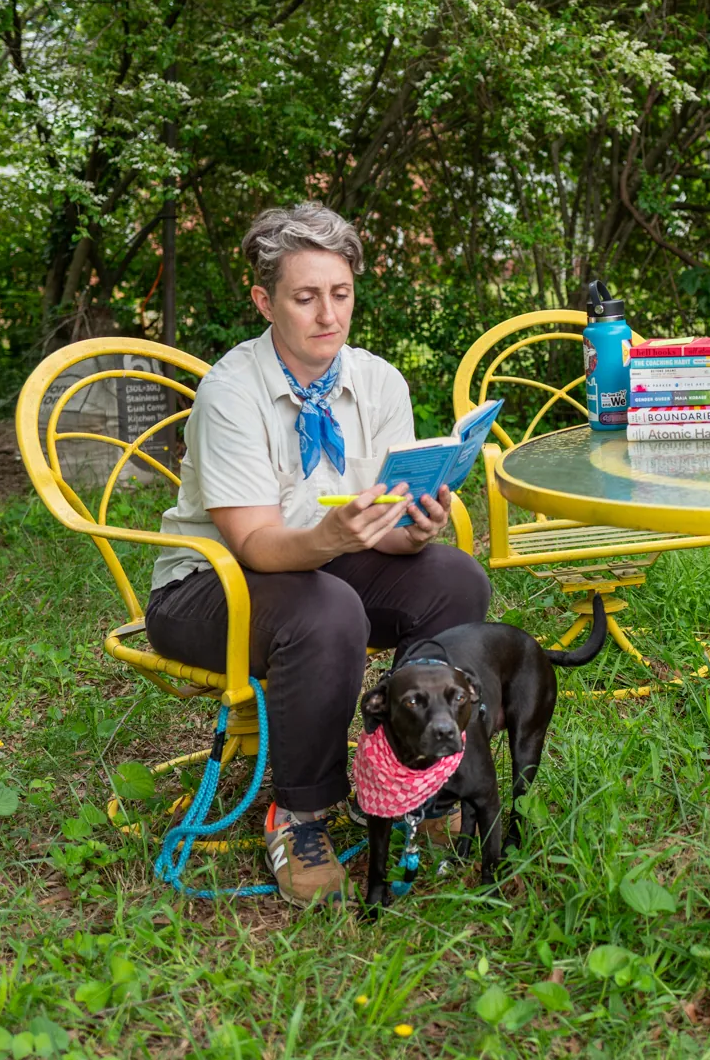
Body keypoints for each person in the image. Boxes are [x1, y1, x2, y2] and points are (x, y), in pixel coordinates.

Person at [145, 200, 491, 905]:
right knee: (328, 607)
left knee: (454, 577)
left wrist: (415, 529)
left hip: (314, 569)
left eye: (341, 294)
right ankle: (299, 810)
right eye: (305, 297)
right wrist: (334, 539)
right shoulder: (231, 392)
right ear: (265, 300)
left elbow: (379, 524)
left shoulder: (378, 381)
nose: (327, 314)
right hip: (207, 587)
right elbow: (256, 543)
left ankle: (407, 770)